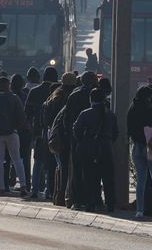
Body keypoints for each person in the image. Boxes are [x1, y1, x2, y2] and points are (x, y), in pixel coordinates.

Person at [73, 88, 118, 212]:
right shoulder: (111, 115)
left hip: (90, 148)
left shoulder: (85, 113)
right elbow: (116, 133)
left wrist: (83, 141)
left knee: (90, 177)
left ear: (91, 99)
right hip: (106, 147)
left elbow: (76, 130)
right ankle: (110, 204)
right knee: (108, 178)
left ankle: (91, 203)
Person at [127, 85, 152, 219]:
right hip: (151, 147)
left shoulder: (132, 108)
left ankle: (139, 210)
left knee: (141, 180)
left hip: (137, 147)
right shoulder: (151, 109)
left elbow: (129, 127)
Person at [64, 71, 98, 208]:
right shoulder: (97, 95)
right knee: (94, 171)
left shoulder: (74, 95)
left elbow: (67, 120)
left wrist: (71, 137)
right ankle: (93, 200)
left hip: (77, 139)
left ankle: (77, 200)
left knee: (77, 171)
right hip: (95, 140)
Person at [43, 71, 77, 206]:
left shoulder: (53, 96)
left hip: (52, 133)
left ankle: (53, 192)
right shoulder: (71, 97)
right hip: (63, 135)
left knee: (57, 165)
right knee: (65, 167)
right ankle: (63, 195)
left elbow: (44, 117)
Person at [26, 66, 57, 199]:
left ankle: (34, 189)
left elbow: (27, 112)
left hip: (39, 131)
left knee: (38, 160)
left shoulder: (34, 91)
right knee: (52, 163)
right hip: (55, 132)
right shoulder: (58, 91)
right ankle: (50, 191)